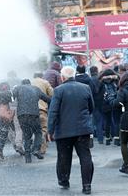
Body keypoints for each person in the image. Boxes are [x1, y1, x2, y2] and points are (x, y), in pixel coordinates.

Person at [47, 66, 94, 195]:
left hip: (64, 130)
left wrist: (49, 130)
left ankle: (64, 181)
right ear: (74, 75)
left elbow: (53, 112)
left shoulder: (58, 90)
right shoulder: (85, 88)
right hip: (83, 130)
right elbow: (91, 107)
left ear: (62, 77)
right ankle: (87, 186)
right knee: (85, 156)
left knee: (63, 157)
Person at [12, 79, 51, 163]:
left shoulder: (18, 88)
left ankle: (28, 158)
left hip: (21, 115)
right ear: (30, 83)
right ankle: (36, 149)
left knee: (26, 136)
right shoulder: (35, 88)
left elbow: (11, 98)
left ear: (22, 83)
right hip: (34, 115)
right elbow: (48, 99)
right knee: (38, 132)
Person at [32, 72, 53, 154]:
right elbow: (52, 93)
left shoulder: (30, 82)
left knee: (34, 130)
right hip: (42, 109)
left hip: (31, 110)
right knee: (43, 129)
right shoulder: (45, 82)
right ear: (42, 76)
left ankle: (33, 147)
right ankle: (41, 149)